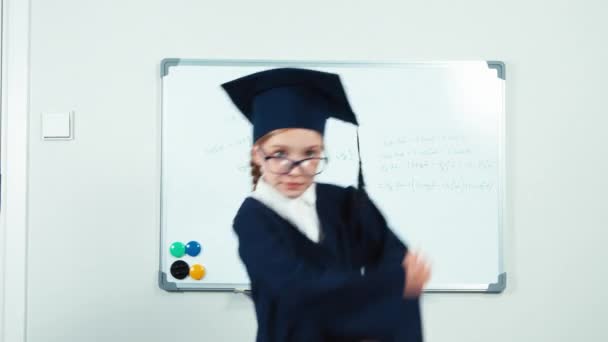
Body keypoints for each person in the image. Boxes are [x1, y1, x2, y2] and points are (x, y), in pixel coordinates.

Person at [221, 67, 431, 342]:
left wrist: (397, 278)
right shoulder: (252, 219)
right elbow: (297, 290)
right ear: (257, 155)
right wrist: (391, 285)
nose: (295, 169)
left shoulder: (344, 202)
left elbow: (394, 257)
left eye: (310, 154)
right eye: (279, 154)